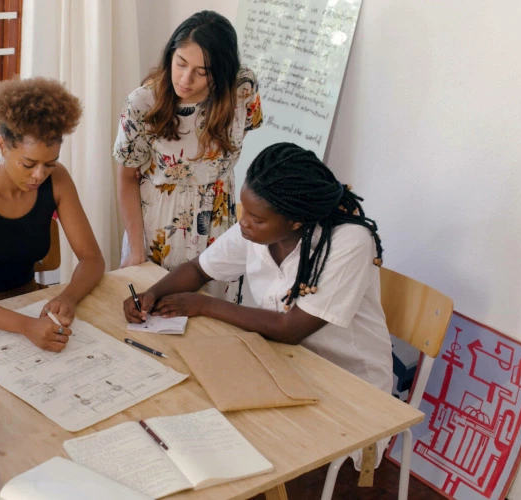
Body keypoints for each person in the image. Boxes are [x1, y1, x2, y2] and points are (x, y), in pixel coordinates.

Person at [124, 142, 393, 409]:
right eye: (245, 209)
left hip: (351, 387)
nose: (244, 221)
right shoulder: (257, 230)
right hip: (286, 362)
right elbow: (198, 270)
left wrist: (204, 304)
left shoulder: (349, 242)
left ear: (296, 221)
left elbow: (291, 329)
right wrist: (152, 293)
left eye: (257, 218)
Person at [0, 78, 105, 353]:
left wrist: (69, 296)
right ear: (3, 146)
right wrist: (26, 326)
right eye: (28, 164)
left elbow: (92, 259)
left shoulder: (58, 180)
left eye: (49, 164)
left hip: (27, 301)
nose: (39, 175)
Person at [115, 10, 263, 300]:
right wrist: (135, 249)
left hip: (218, 225)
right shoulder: (143, 103)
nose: (185, 78)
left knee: (214, 321)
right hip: (160, 228)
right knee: (153, 315)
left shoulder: (242, 89)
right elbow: (126, 178)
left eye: (202, 71)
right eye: (180, 63)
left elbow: (242, 132)